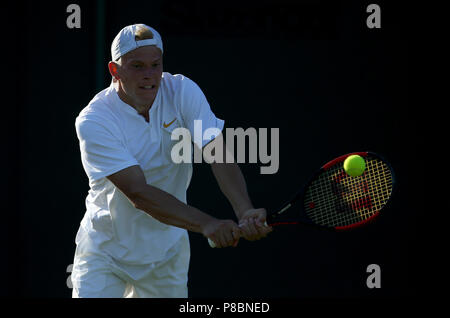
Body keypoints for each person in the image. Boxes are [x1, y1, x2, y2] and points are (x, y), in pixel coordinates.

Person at [71, 23, 272, 298]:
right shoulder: (94, 120)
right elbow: (138, 193)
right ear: (114, 70)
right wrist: (207, 223)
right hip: (105, 255)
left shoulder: (182, 91)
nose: (149, 76)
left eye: (156, 65)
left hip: (167, 256)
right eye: (137, 66)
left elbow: (217, 153)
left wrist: (244, 210)